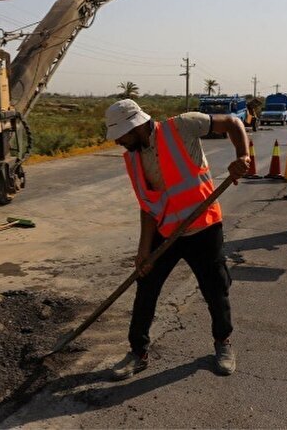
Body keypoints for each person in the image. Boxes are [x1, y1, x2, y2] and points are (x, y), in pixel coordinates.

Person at [105, 99, 250, 380]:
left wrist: (243, 156)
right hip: (166, 232)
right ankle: (138, 353)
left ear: (136, 126)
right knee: (145, 289)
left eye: (121, 135)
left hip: (204, 227)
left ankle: (223, 343)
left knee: (215, 290)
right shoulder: (134, 157)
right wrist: (143, 251)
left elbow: (233, 123)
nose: (118, 142)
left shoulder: (182, 126)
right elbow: (148, 206)